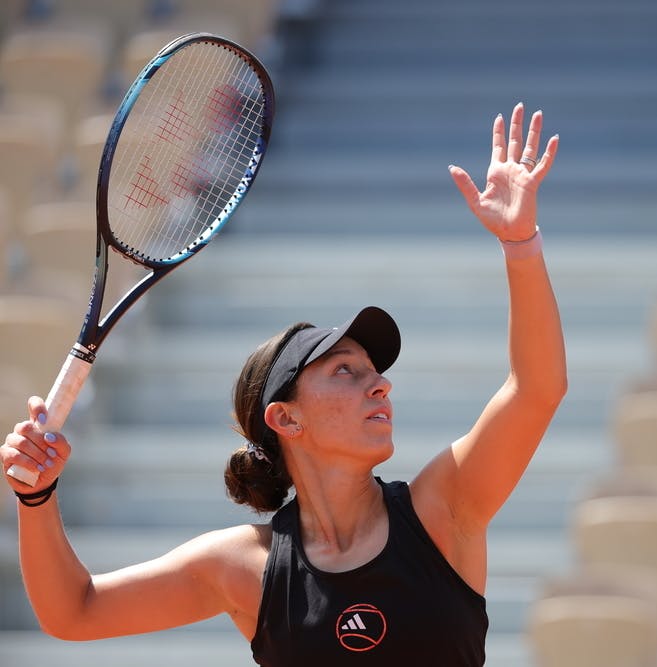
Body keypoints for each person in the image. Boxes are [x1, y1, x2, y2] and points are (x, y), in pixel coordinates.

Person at [1, 103, 565, 666]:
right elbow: (74, 611)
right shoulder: (242, 567)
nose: (380, 387)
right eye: (347, 370)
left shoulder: (446, 507)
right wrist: (36, 496)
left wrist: (521, 243)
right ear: (286, 418)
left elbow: (537, 389)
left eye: (377, 372)